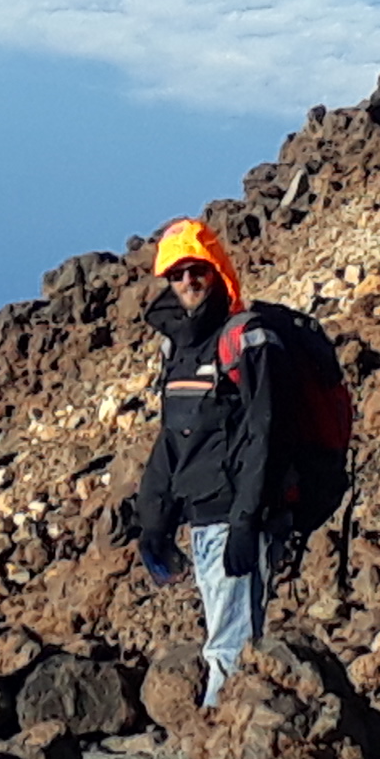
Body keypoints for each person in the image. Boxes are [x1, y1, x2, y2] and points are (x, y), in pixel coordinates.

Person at [129, 217, 278, 707]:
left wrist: (246, 521)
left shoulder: (245, 339)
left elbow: (263, 433)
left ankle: (212, 753)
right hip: (201, 520)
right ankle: (225, 746)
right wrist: (154, 523)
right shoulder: (178, 348)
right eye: (177, 274)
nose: (188, 281)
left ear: (217, 270)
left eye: (198, 270)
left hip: (235, 515)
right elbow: (173, 439)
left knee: (228, 649)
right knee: (226, 641)